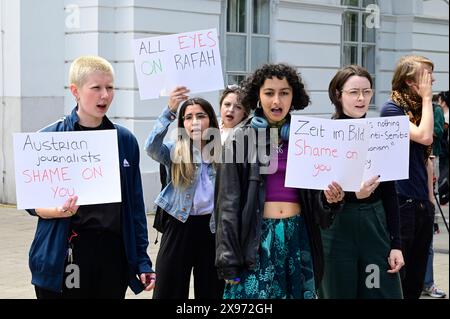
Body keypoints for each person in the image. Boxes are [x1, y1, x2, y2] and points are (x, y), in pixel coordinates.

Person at [26, 55, 155, 299]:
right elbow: (33, 204)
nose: (105, 95)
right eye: (96, 88)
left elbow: (135, 207)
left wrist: (142, 261)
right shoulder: (48, 138)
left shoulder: (125, 140)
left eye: (110, 87)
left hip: (111, 254)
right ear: (75, 90)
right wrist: (57, 211)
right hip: (65, 252)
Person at [215, 63, 344, 299]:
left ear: (293, 96)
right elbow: (227, 207)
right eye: (269, 93)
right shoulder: (239, 139)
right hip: (255, 241)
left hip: (298, 237)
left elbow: (319, 212)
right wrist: (228, 262)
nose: (277, 100)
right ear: (257, 96)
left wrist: (330, 201)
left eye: (284, 93)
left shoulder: (308, 137)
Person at [318, 65, 404, 299]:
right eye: (354, 92)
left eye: (367, 92)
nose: (361, 98)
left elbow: (390, 193)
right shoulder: (322, 135)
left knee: (377, 289)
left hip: (374, 227)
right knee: (337, 292)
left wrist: (396, 244)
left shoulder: (382, 133)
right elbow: (314, 196)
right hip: (335, 230)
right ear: (338, 94)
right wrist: (351, 195)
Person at [144, 87, 224, 299]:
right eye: (188, 117)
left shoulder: (223, 152)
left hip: (212, 229)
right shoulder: (174, 150)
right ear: (182, 124)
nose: (195, 121)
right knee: (168, 290)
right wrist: (170, 110)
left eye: (201, 116)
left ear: (211, 120)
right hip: (179, 225)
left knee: (211, 292)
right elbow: (151, 147)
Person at [380, 55, 435, 299]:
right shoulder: (391, 109)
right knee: (400, 277)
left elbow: (426, 157)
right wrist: (427, 99)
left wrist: (431, 198)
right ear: (411, 82)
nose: (432, 80)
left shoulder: (418, 109)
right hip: (402, 200)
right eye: (426, 75)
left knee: (416, 276)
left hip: (421, 201)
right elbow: (425, 137)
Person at [437, 91, 449, 205]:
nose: (438, 103)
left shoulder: (446, 117)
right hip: (444, 151)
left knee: (443, 177)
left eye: (439, 100)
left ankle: (443, 197)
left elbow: (441, 133)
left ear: (444, 103)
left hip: (445, 151)